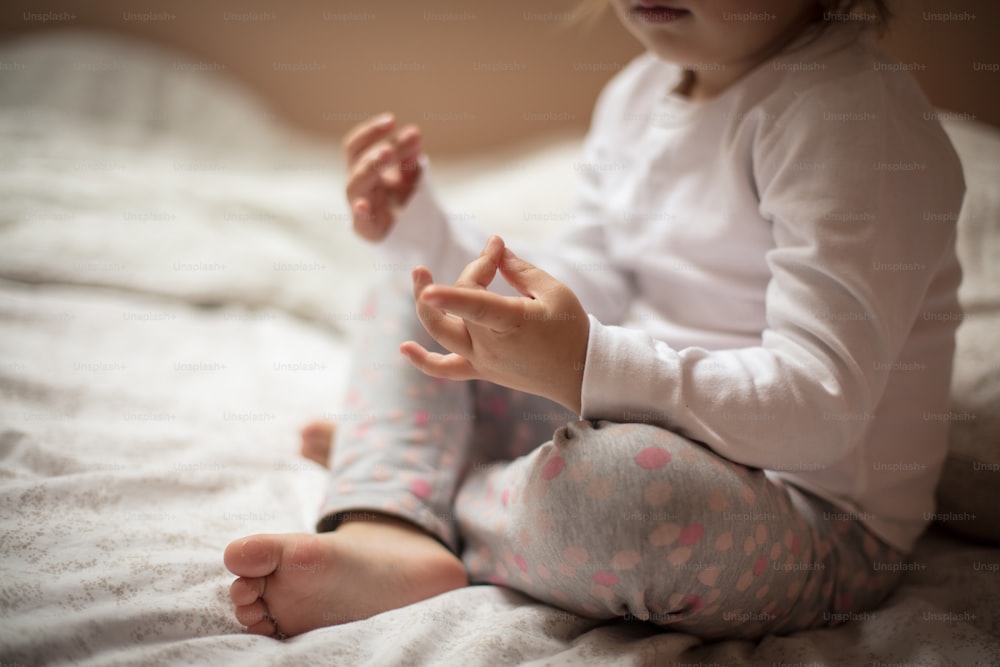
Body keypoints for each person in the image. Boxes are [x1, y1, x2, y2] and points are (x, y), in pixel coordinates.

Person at [224, 0, 965, 640]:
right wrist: (427, 236)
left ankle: (409, 478)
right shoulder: (639, 94)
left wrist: (586, 364)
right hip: (647, 419)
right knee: (421, 295)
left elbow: (819, 408)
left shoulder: (850, 119)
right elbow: (586, 288)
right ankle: (391, 522)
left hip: (813, 521)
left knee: (626, 497)